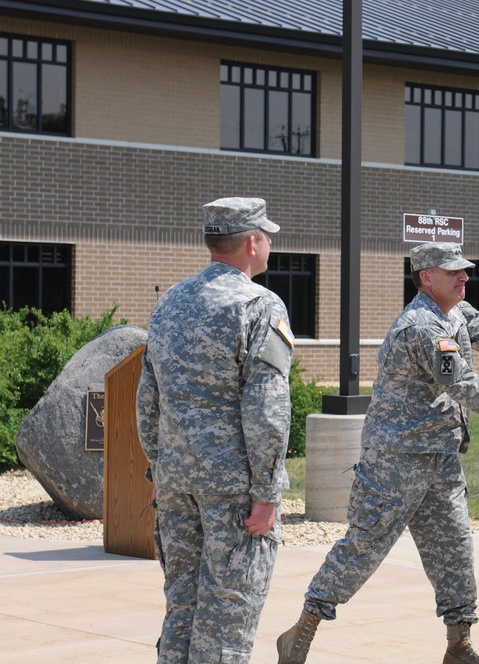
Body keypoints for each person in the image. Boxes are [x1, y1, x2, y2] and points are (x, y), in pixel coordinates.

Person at [277, 242, 479, 664]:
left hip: (440, 455)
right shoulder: (421, 327)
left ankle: (459, 645)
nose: (464, 277)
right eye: (454, 271)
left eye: (464, 271)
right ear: (427, 277)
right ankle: (300, 634)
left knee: (454, 550)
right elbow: (463, 386)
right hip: (396, 460)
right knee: (363, 548)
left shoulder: (455, 312)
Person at [136, 197, 294, 663]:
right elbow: (266, 406)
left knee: (181, 608)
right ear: (251, 242)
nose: (269, 244)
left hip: (177, 482)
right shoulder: (260, 304)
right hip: (235, 490)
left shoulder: (170, 302)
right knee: (228, 618)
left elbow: (148, 399)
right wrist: (267, 492)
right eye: (267, 236)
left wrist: (157, 473)